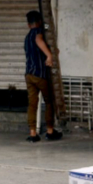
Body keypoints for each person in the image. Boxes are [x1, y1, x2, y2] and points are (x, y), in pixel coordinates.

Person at [24, 10, 63, 143]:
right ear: (39, 22)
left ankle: (33, 133)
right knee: (49, 101)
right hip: (40, 74)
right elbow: (39, 40)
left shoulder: (27, 36)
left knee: (32, 104)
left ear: (28, 24)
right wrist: (49, 55)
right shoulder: (38, 34)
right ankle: (50, 131)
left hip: (29, 74)